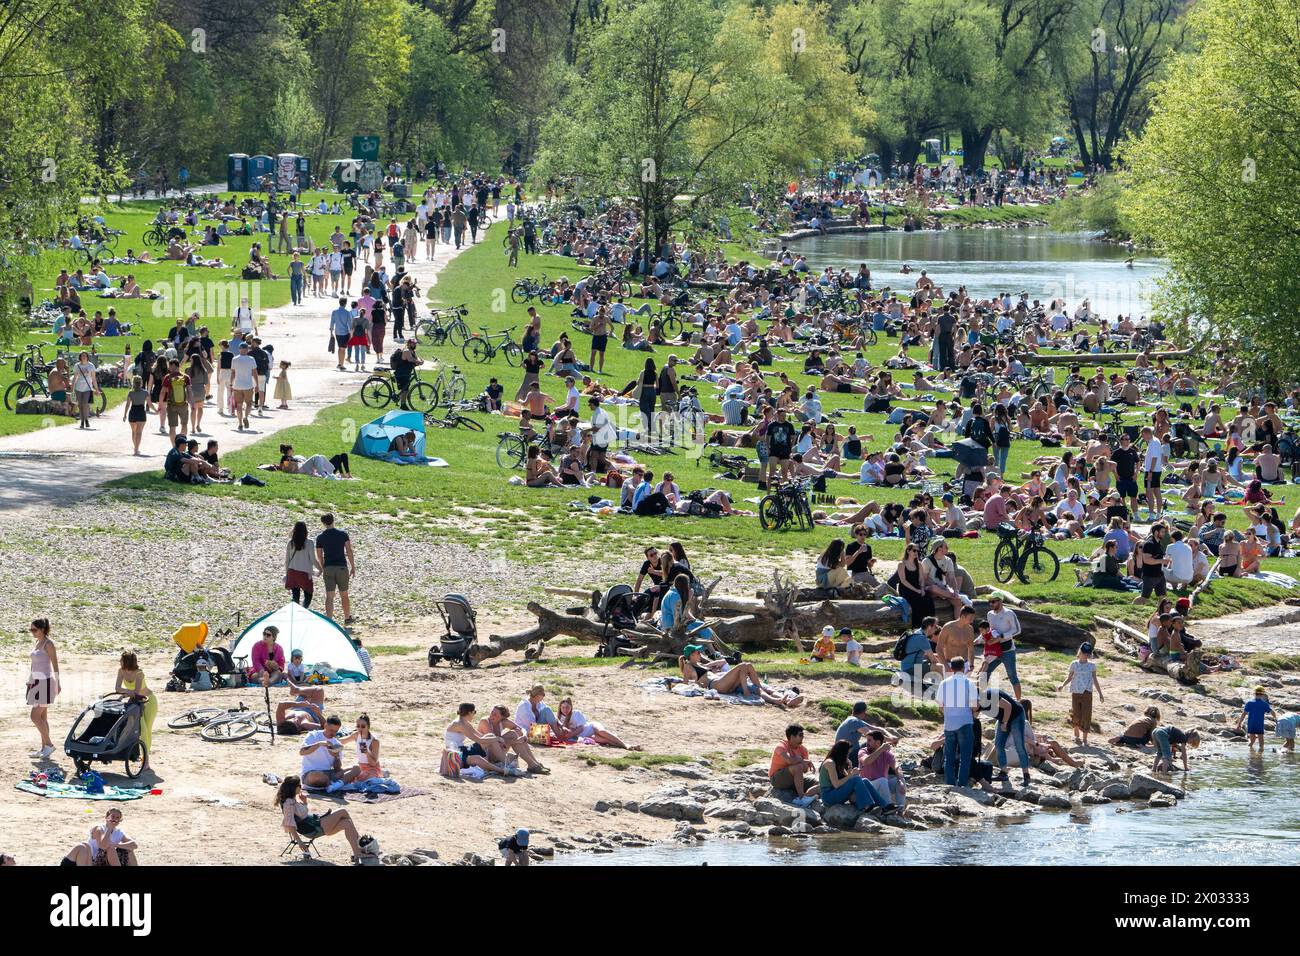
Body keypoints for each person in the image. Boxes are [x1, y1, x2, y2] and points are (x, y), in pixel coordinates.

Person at [276, 775, 377, 864]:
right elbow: (290, 824)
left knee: (347, 823)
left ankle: (357, 853)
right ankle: (361, 846)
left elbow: (300, 814)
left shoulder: (293, 800)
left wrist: (305, 802)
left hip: (315, 824)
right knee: (343, 811)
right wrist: (300, 842)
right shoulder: (288, 803)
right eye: (299, 786)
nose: (301, 787)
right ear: (293, 788)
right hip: (312, 828)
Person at [937, 658, 981, 787]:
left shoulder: (944, 683)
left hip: (949, 724)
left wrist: (949, 715)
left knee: (949, 757)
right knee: (965, 757)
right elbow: (974, 706)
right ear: (964, 668)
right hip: (965, 723)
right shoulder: (969, 683)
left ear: (951, 668)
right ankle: (962, 785)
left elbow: (940, 705)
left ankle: (950, 784)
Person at [819, 739, 893, 812]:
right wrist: (851, 775)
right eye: (847, 754)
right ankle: (866, 805)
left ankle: (884, 806)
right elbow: (836, 784)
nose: (848, 756)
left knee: (865, 780)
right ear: (841, 753)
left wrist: (850, 768)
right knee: (856, 779)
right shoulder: (830, 763)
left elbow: (845, 781)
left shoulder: (838, 763)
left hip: (835, 792)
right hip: (828, 796)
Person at [114, 651, 157, 773]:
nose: (120, 661)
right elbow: (117, 688)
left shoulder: (139, 673)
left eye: (121, 659)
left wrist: (125, 692)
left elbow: (137, 692)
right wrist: (127, 692)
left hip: (149, 702)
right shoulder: (121, 671)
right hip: (135, 702)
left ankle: (146, 761)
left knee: (146, 731)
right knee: (139, 729)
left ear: (126, 661)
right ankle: (143, 758)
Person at [1058, 642, 1104, 746]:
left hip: (1087, 693)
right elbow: (1070, 677)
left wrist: (1100, 693)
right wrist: (1062, 685)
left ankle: (1085, 738)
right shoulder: (1074, 664)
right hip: (1075, 692)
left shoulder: (1092, 666)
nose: (1086, 655)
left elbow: (1095, 680)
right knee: (1076, 713)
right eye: (1084, 653)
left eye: (1088, 653)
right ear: (1080, 652)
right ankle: (1076, 733)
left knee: (1086, 715)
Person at [26, 618, 59, 758]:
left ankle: (49, 745)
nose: (32, 632)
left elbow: (55, 665)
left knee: (34, 716)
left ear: (43, 629)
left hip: (46, 682)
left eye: (34, 629)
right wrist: (30, 680)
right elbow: (34, 665)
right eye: (31, 630)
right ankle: (43, 748)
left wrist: (58, 683)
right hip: (36, 682)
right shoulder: (38, 643)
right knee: (43, 717)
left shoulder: (48, 644)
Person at [60, 809, 138, 866]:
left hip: (99, 860)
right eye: (113, 816)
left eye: (118, 818)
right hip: (88, 859)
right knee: (84, 846)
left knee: (128, 850)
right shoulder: (99, 828)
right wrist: (109, 828)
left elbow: (134, 845)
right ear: (106, 817)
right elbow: (103, 845)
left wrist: (116, 845)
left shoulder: (119, 832)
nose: (115, 819)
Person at [988, 689, 1031, 788]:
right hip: (1003, 718)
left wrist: (1005, 723)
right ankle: (1003, 773)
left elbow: (1008, 706)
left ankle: (1026, 775)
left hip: (1016, 715)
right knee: (998, 745)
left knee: (1019, 745)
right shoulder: (978, 701)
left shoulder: (990, 695)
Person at [300, 714, 358, 789]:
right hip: (311, 773)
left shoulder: (337, 743)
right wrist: (320, 744)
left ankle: (335, 785)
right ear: (325, 725)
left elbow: (337, 769)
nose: (333, 733)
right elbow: (302, 752)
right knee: (318, 777)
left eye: (335, 731)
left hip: (329, 773)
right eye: (331, 730)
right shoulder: (313, 735)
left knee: (356, 768)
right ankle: (336, 783)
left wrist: (336, 756)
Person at [556, 697, 636, 749]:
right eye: (563, 707)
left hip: (591, 727)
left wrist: (571, 734)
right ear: (560, 707)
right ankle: (624, 746)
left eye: (567, 707)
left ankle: (625, 745)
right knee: (605, 740)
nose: (565, 709)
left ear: (571, 707)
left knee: (602, 732)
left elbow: (581, 728)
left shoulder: (576, 713)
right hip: (586, 736)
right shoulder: (559, 718)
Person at [982, 595, 1022, 698]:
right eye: (989, 602)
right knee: (985, 672)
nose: (991, 604)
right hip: (994, 650)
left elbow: (1017, 630)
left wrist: (1002, 637)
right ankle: (980, 699)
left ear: (1000, 601)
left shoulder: (1009, 613)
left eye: (993, 601)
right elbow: (990, 630)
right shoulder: (989, 614)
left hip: (1007, 650)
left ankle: (1019, 702)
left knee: (1012, 676)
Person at [770, 724, 819, 806]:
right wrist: (801, 760)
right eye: (800, 735)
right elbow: (789, 760)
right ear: (792, 736)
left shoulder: (803, 749)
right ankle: (801, 798)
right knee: (797, 767)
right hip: (777, 779)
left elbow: (805, 770)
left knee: (819, 783)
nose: (802, 737)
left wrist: (804, 763)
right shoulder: (781, 746)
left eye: (803, 735)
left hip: (794, 780)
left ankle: (805, 796)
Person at [284, 520, 321, 608]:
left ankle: (296, 611)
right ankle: (304, 610)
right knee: (308, 594)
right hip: (304, 573)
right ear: (305, 531)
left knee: (295, 595)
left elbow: (287, 561)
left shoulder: (290, 543)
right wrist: (320, 568)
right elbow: (313, 559)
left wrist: (287, 574)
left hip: (292, 571)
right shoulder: (309, 543)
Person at [1236, 686, 1274, 751]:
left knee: (1251, 742)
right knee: (1261, 743)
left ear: (1254, 693)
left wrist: (1239, 723)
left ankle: (1250, 754)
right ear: (1262, 694)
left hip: (1251, 724)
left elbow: (1244, 714)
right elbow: (1272, 712)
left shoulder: (1249, 703)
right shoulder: (1264, 704)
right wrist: (1275, 718)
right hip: (1259, 724)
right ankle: (1260, 755)